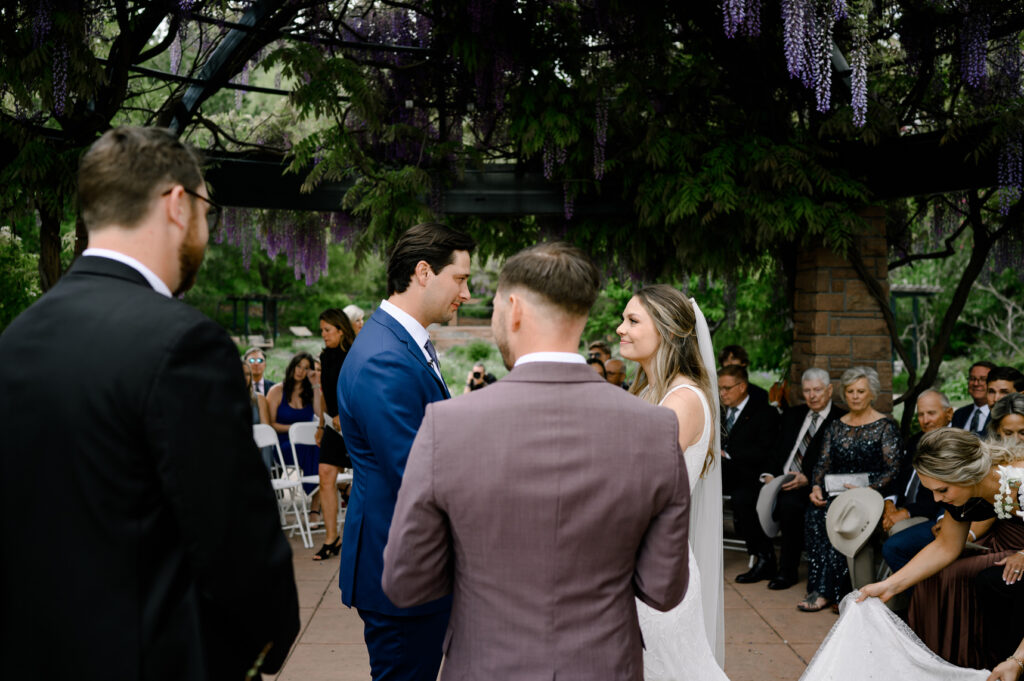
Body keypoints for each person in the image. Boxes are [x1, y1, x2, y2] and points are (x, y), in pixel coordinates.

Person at [0, 126, 298, 679]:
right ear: (178, 204)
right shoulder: (185, 343)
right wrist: (263, 645)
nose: (207, 230)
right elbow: (239, 548)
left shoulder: (15, 340)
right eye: (209, 210)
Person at [382, 244, 691, 680]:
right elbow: (663, 590)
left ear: (514, 310)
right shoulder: (656, 429)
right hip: (605, 666)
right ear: (581, 313)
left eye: (492, 308)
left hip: (487, 666)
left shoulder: (447, 426)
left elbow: (406, 581)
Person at [337, 222, 474, 681]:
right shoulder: (384, 357)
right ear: (422, 272)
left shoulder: (398, 343)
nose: (467, 293)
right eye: (460, 278)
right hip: (400, 570)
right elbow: (416, 471)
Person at [618, 283, 727, 675]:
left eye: (632, 320)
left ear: (664, 331)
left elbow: (637, 487)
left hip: (656, 566)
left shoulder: (682, 401)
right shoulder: (650, 391)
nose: (619, 329)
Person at [859, 430, 1024, 669]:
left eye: (943, 490)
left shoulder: (1019, 482)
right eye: (932, 491)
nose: (936, 499)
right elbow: (946, 547)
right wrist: (889, 585)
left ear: (968, 475)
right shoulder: (965, 494)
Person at [799, 366, 902, 612]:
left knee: (845, 518)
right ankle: (823, 588)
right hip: (838, 494)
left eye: (860, 391)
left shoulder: (885, 426)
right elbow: (822, 463)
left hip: (871, 496)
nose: (855, 396)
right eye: (850, 391)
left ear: (872, 393)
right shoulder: (836, 426)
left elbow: (893, 470)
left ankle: (837, 591)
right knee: (816, 514)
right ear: (844, 394)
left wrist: (865, 486)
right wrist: (815, 485)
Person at [761, 368, 846, 590]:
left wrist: (809, 480)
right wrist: (770, 475)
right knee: (746, 495)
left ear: (829, 390)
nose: (812, 395)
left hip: (811, 486)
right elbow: (777, 449)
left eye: (817, 390)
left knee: (790, 505)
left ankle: (786, 572)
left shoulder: (840, 420)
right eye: (807, 391)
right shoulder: (793, 414)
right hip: (778, 479)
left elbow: (839, 464)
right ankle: (763, 560)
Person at [720, 364, 781, 583]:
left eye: (727, 388)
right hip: (722, 474)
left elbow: (764, 451)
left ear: (742, 386)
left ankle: (764, 558)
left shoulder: (764, 412)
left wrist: (726, 453)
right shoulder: (719, 410)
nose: (722, 393)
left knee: (744, 498)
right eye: (720, 388)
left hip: (751, 475)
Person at [880, 389, 950, 573]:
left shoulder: (954, 445)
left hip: (928, 514)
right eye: (921, 414)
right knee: (863, 522)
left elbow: (945, 494)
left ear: (948, 413)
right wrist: (890, 503)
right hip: (902, 506)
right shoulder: (915, 440)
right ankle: (862, 584)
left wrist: (906, 512)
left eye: (931, 413)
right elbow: (898, 476)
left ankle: (903, 595)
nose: (925, 420)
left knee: (897, 532)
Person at [311, 308, 357, 561]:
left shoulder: (355, 354)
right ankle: (331, 539)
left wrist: (346, 416)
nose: (324, 335)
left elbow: (362, 390)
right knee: (325, 475)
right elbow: (326, 394)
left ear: (341, 330)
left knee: (364, 477)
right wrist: (321, 425)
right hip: (331, 425)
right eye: (322, 331)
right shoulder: (325, 356)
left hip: (355, 424)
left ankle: (366, 535)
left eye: (328, 330)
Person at [267, 352, 321, 500]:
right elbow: (271, 425)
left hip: (308, 444)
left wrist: (315, 385)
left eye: (306, 368)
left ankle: (316, 500)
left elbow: (319, 413)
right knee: (315, 448)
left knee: (319, 447)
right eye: (298, 366)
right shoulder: (277, 391)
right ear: (292, 366)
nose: (300, 371)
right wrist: (296, 430)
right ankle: (321, 491)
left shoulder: (309, 393)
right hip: (283, 446)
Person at [952, 361, 996, 435]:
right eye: (972, 379)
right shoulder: (959, 414)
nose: (976, 383)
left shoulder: (999, 415)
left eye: (983, 379)